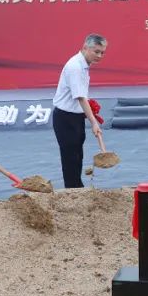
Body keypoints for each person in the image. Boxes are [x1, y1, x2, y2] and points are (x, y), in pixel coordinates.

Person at [52, 34, 107, 188]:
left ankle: (77, 187)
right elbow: (81, 98)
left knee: (77, 155)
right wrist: (94, 122)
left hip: (76, 117)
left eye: (102, 53)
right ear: (85, 48)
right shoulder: (75, 67)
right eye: (96, 51)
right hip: (65, 118)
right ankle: (72, 190)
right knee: (70, 157)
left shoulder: (84, 65)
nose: (99, 56)